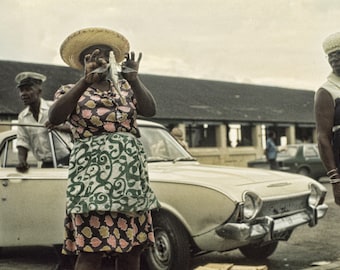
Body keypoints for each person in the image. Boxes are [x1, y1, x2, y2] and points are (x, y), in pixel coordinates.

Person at [48, 27, 161, 270]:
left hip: (129, 181)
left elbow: (150, 110)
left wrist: (134, 79)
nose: (101, 59)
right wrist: (84, 81)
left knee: (132, 250)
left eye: (106, 55)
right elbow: (55, 116)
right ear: (83, 62)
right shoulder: (70, 90)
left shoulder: (125, 89)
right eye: (93, 55)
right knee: (92, 250)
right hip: (93, 183)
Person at [15, 71, 72, 172]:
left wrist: (58, 126)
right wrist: (22, 161)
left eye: (28, 89)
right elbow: (22, 141)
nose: (23, 94)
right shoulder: (22, 117)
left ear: (39, 91)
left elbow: (76, 128)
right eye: (21, 90)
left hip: (68, 160)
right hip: (46, 165)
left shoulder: (53, 108)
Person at [314, 32, 340, 206]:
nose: (335, 60)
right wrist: (335, 180)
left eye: (339, 54)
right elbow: (323, 138)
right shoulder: (327, 91)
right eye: (331, 56)